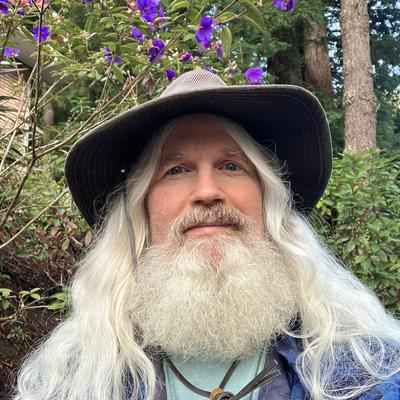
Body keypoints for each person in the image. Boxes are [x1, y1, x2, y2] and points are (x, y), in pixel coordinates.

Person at [14, 70, 400, 400]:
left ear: (268, 201)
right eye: (176, 170)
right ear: (142, 210)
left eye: (231, 165)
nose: (207, 191)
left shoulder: (368, 372)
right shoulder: (74, 382)